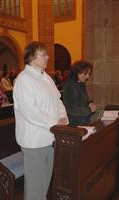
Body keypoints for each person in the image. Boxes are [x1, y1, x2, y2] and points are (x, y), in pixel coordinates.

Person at [13, 41, 68, 200]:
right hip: (34, 139)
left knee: (44, 180)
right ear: (32, 57)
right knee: (35, 184)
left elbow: (58, 100)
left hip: (50, 136)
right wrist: (54, 123)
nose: (48, 57)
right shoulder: (24, 79)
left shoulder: (47, 78)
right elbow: (31, 111)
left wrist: (63, 117)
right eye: (43, 54)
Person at [63, 60, 97, 126]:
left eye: (89, 74)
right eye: (85, 73)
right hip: (74, 123)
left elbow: (82, 100)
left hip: (83, 120)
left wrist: (89, 103)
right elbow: (70, 109)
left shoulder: (81, 84)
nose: (88, 76)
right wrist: (89, 110)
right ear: (77, 72)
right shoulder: (69, 86)